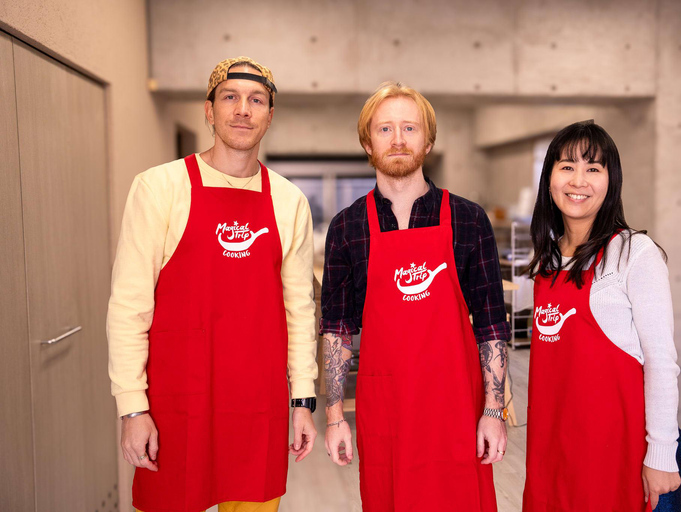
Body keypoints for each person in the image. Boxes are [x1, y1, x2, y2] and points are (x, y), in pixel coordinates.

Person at [107, 57, 318, 512]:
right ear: (209, 110)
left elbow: (299, 311)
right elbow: (129, 308)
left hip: (256, 406)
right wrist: (132, 407)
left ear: (269, 115)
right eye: (230, 97)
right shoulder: (159, 188)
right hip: (177, 406)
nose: (243, 109)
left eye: (256, 100)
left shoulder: (289, 201)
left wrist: (303, 399)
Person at [321, 81, 510, 511]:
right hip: (386, 410)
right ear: (368, 142)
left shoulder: (467, 219)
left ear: (428, 141)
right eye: (385, 129)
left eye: (410, 128)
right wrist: (334, 418)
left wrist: (493, 412)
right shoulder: (347, 227)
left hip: (457, 409)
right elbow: (336, 330)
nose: (399, 139)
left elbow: (492, 324)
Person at [522, 120, 681, 511]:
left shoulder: (633, 254)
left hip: (614, 456)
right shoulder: (547, 261)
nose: (579, 180)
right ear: (550, 177)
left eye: (593, 169)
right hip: (551, 451)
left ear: (611, 182)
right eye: (567, 166)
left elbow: (661, 362)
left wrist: (660, 454)